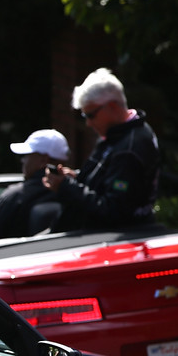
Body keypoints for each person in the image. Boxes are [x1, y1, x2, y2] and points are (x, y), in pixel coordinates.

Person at [43, 67, 159, 232]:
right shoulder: (120, 133)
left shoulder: (129, 150)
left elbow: (112, 210)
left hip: (108, 241)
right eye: (84, 117)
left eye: (90, 115)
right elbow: (106, 181)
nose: (88, 123)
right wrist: (76, 177)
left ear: (112, 106)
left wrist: (67, 187)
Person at [0, 129, 70, 241]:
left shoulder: (16, 195)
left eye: (27, 155)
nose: (23, 161)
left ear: (43, 160)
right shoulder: (75, 193)